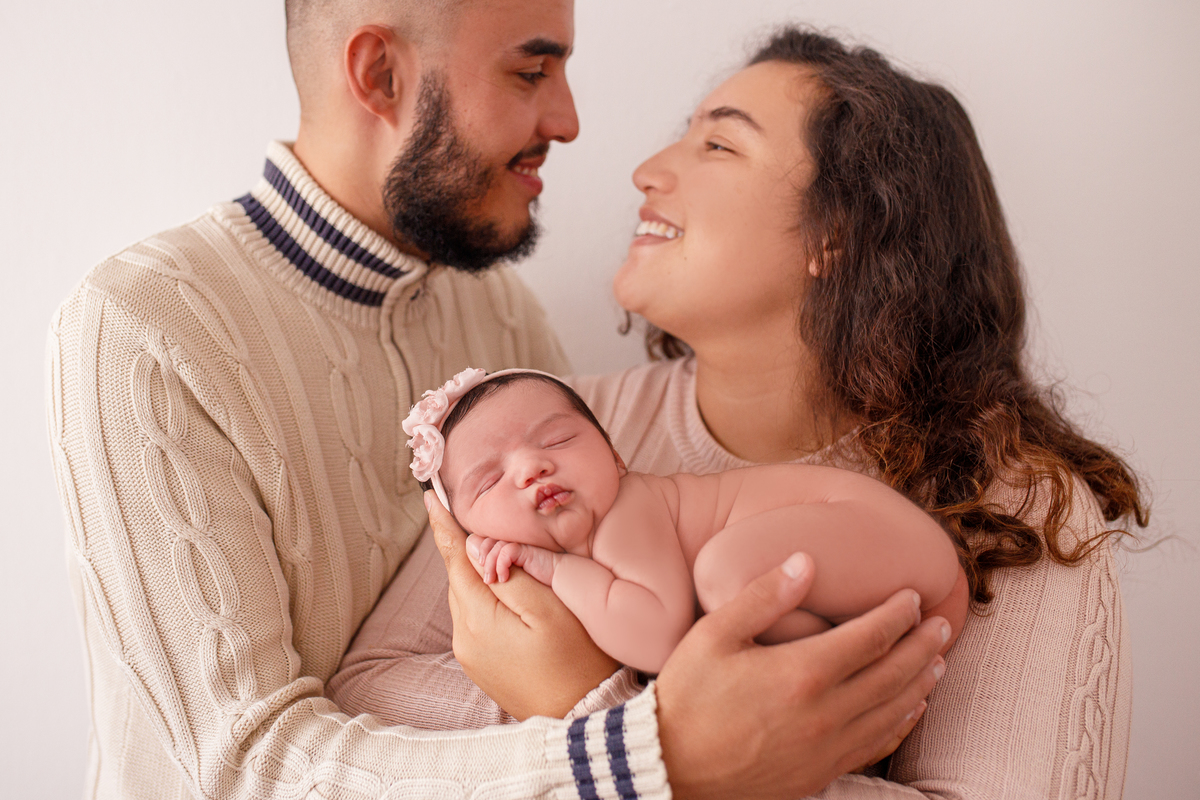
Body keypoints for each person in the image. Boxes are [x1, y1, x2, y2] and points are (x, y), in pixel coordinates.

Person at [46, 2, 948, 798]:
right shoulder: (148, 329)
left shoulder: (501, 318)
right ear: (379, 73)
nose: (569, 118)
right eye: (531, 69)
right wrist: (642, 756)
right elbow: (241, 769)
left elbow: (565, 638)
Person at [328, 26, 1148, 798]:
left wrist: (592, 703)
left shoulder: (1021, 507)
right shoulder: (565, 430)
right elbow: (371, 694)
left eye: (718, 144)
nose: (647, 169)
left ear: (840, 231)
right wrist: (643, 744)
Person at [398, 366, 966, 673]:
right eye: (490, 480)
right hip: (875, 563)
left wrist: (552, 568)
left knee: (725, 573)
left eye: (558, 439)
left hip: (879, 534)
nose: (530, 467)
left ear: (615, 457)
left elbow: (656, 641)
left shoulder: (627, 512)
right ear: (472, 535)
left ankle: (841, 670)